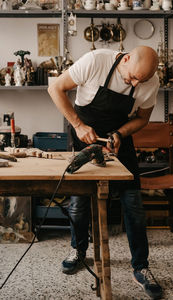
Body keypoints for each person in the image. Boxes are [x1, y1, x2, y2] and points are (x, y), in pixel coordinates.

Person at [48, 46, 162, 300]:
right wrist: (78, 125)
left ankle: (141, 267)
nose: (134, 83)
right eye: (132, 77)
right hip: (83, 136)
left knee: (133, 205)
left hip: (117, 140)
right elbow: (54, 88)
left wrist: (120, 134)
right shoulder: (96, 61)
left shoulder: (149, 80)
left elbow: (143, 118)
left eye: (139, 81)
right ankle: (78, 251)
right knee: (78, 204)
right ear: (127, 57)